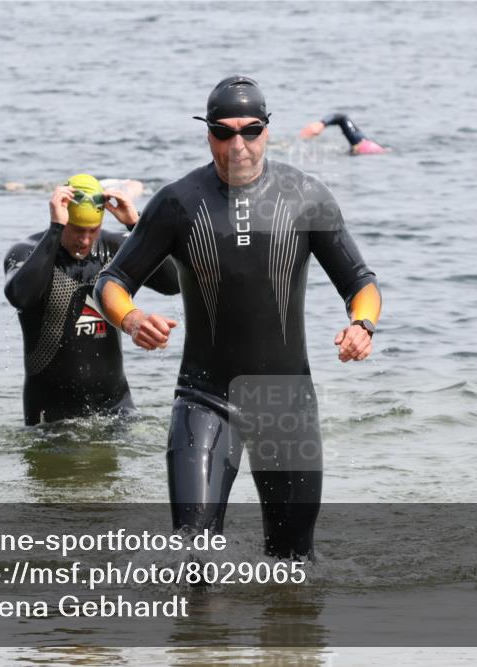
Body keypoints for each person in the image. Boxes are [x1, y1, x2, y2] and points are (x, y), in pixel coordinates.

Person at [94, 77, 382, 559]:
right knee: (193, 551)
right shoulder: (178, 202)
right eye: (223, 132)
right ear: (207, 134)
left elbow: (361, 283)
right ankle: (202, 632)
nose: (238, 144)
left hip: (287, 403)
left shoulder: (306, 197)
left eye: (250, 130)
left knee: (294, 565)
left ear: (267, 129)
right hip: (205, 398)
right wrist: (130, 318)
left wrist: (362, 325)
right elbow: (111, 281)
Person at [4, 173, 179, 426]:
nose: (85, 240)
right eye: (77, 230)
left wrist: (137, 226)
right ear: (63, 219)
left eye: (92, 230)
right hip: (50, 415)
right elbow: (20, 297)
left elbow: (173, 283)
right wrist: (55, 229)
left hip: (116, 408)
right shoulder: (27, 252)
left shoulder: (114, 248)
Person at [299, 113, 388, 155]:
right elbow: (341, 117)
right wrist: (322, 123)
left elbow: (342, 118)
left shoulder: (358, 143)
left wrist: (322, 123)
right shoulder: (359, 140)